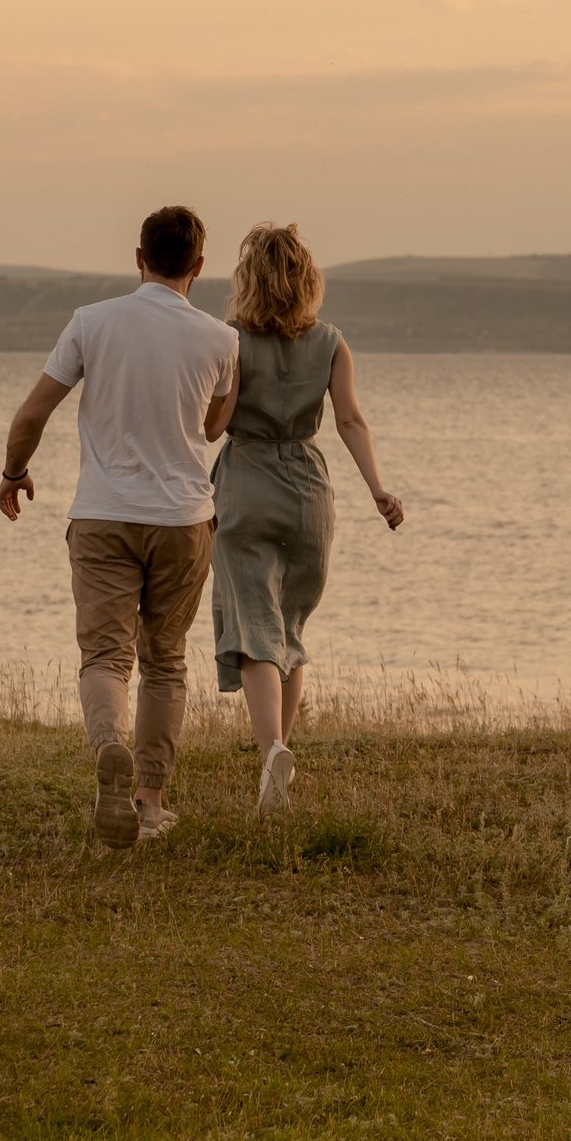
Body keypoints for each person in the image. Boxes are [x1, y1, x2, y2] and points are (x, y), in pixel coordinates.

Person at [0, 206, 238, 849]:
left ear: (139, 258)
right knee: (164, 662)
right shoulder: (221, 339)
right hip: (183, 520)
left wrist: (14, 471)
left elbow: (31, 415)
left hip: (102, 514)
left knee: (105, 655)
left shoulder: (91, 322)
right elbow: (214, 429)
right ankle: (149, 804)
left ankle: (109, 746)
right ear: (199, 267)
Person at [209, 222, 403, 814]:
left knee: (253, 628)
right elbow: (350, 421)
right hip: (309, 491)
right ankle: (280, 758)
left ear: (248, 279)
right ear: (307, 279)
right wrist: (378, 490)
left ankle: (272, 751)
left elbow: (215, 425)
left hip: (246, 481)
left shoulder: (231, 339)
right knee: (289, 628)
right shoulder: (332, 341)